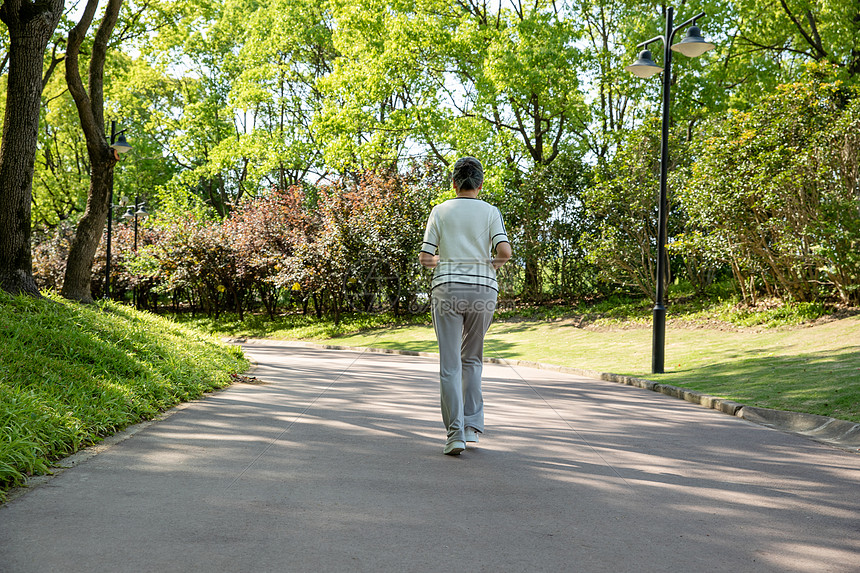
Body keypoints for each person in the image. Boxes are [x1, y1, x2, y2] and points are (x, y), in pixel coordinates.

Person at [419, 157, 512, 455]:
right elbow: (505, 251)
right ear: (480, 184)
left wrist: (444, 263)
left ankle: (455, 434)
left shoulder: (440, 211)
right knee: (472, 359)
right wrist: (492, 267)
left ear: (454, 184)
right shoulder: (490, 211)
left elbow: (426, 257)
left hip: (447, 288)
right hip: (483, 290)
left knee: (450, 364)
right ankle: (472, 428)